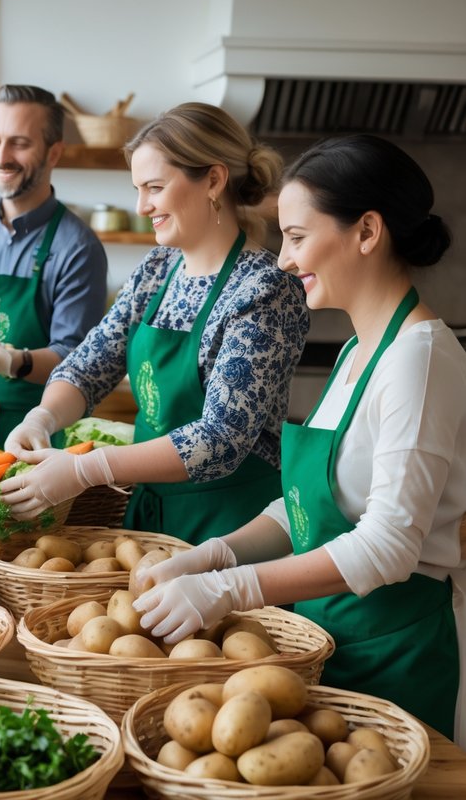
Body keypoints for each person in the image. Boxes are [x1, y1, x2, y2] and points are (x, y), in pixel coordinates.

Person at [133, 135, 466, 743]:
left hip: (391, 658)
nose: (284, 260)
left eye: (297, 237)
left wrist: (233, 587)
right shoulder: (357, 351)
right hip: (326, 642)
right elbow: (308, 507)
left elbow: (389, 547)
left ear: (367, 231)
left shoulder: (420, 361)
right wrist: (216, 554)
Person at [0, 102, 309, 544]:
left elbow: (220, 439)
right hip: (149, 521)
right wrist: (43, 417)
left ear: (214, 180)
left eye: (155, 188)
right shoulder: (158, 269)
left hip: (231, 529)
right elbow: (89, 366)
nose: (143, 206)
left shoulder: (265, 290)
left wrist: (89, 469)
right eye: (138, 189)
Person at [0, 84, 109, 450]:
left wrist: (9, 361)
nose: (1, 156)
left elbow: (76, 359)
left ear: (54, 152)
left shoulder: (78, 248)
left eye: (19, 143)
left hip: (36, 437)